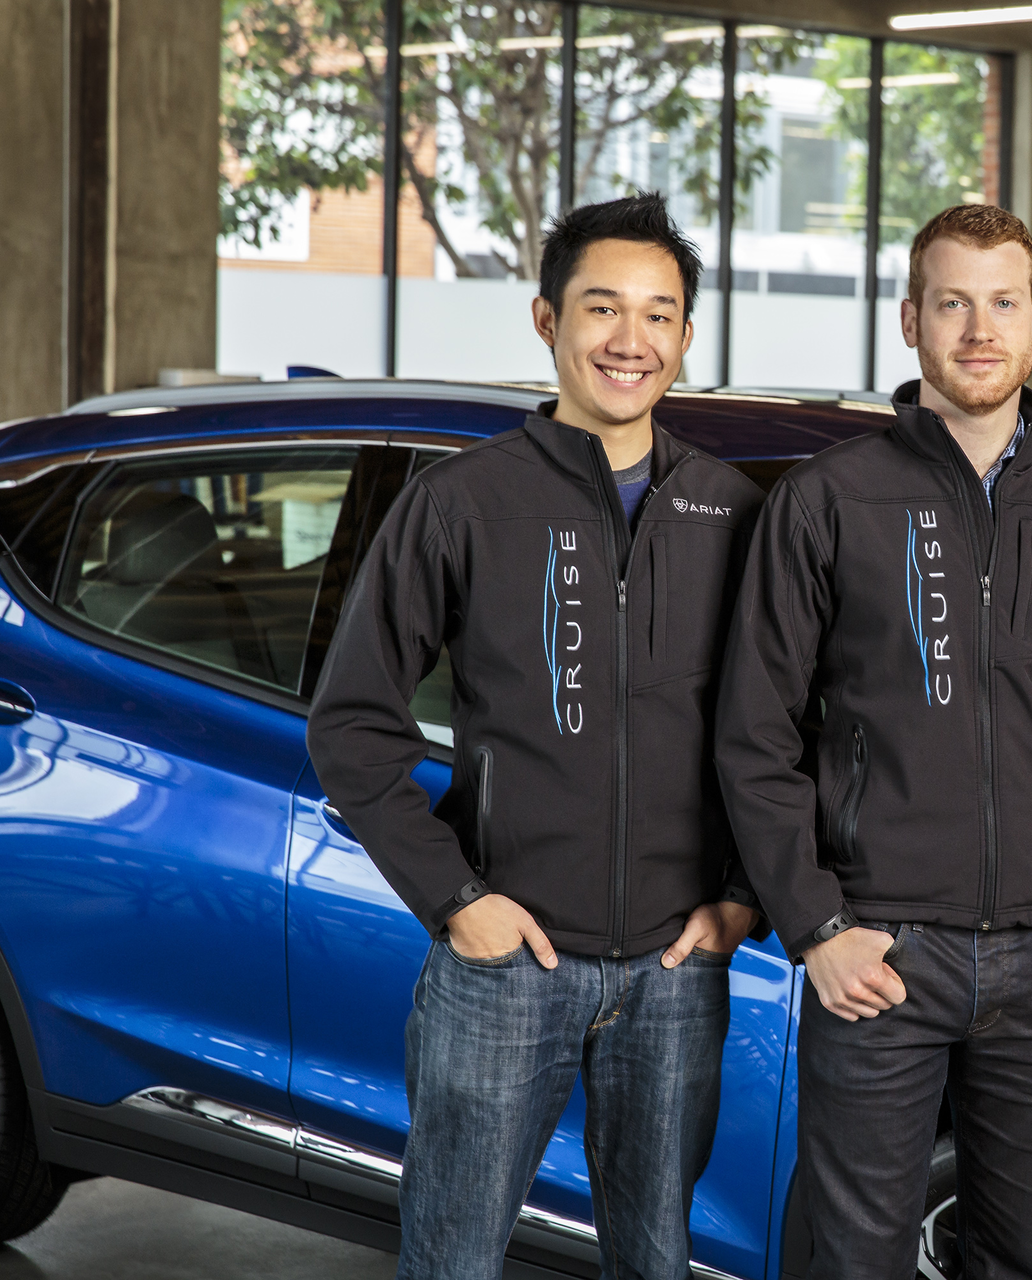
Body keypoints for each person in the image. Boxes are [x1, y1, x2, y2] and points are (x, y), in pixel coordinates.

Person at [715, 204, 1032, 1277]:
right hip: (880, 955)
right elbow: (754, 733)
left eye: (1002, 302)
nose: (979, 328)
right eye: (952, 302)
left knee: (1018, 1259)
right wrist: (817, 923)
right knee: (854, 1259)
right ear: (909, 321)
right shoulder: (828, 501)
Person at [306, 193, 764, 1280]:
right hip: (507, 964)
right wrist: (459, 901)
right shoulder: (462, 503)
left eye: (659, 315)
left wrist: (745, 894)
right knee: (455, 1255)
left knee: (656, 1260)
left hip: (674, 967)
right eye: (602, 307)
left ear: (688, 340)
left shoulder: (735, 512)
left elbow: (788, 728)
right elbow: (351, 722)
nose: (630, 339)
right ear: (547, 318)